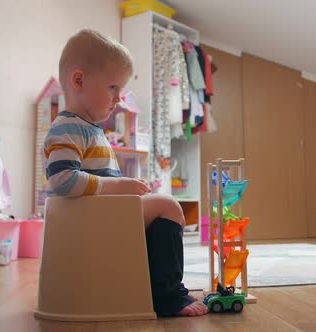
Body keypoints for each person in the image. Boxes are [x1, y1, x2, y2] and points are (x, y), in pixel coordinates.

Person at [44, 29, 208, 317]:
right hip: (85, 222)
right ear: (79, 80)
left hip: (96, 218)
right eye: (112, 88)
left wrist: (122, 187)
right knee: (167, 205)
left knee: (161, 204)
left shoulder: (88, 128)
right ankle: (168, 295)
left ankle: (158, 285)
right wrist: (118, 187)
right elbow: (62, 180)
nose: (118, 98)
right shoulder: (67, 127)